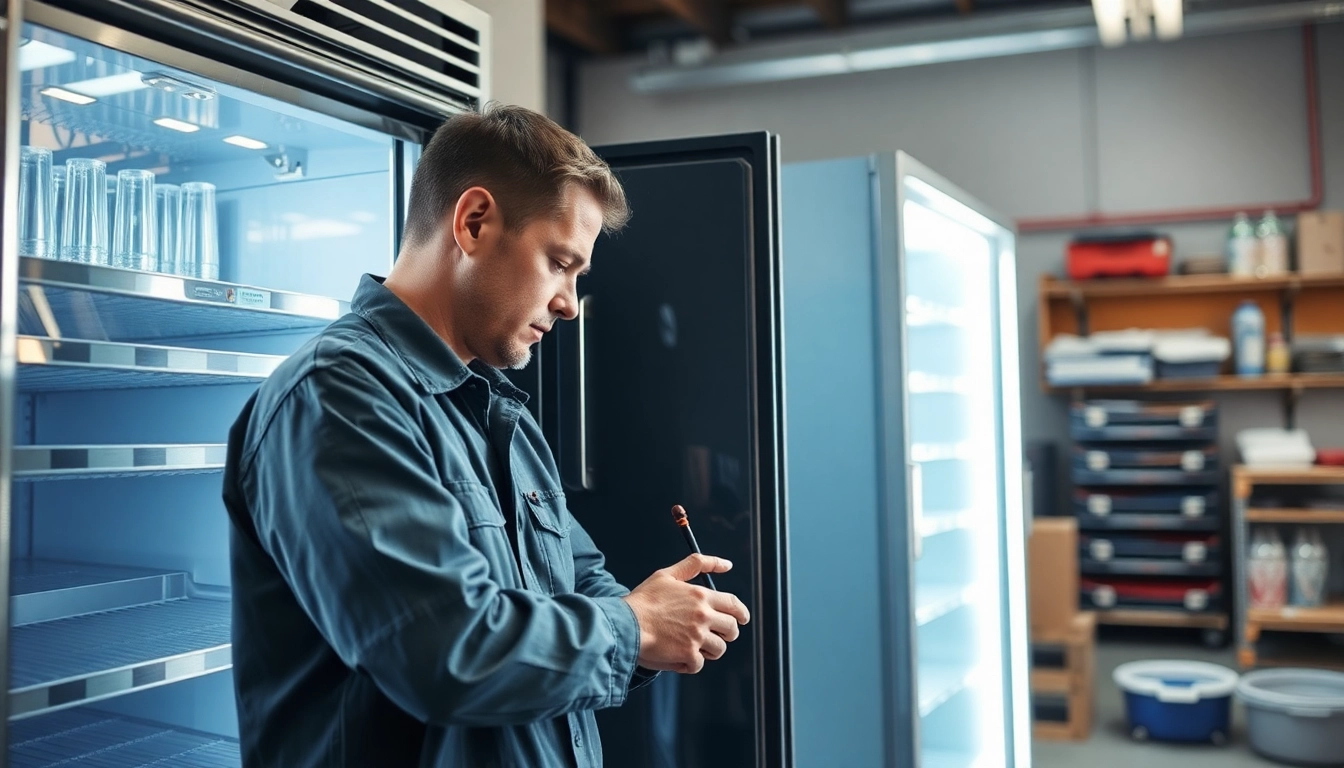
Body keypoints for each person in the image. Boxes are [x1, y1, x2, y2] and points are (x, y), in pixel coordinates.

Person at [221, 103, 751, 767]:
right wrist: (636, 625)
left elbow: (581, 588)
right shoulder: (338, 395)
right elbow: (442, 651)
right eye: (560, 263)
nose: (568, 303)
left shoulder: (501, 413)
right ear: (474, 223)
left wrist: (657, 619)